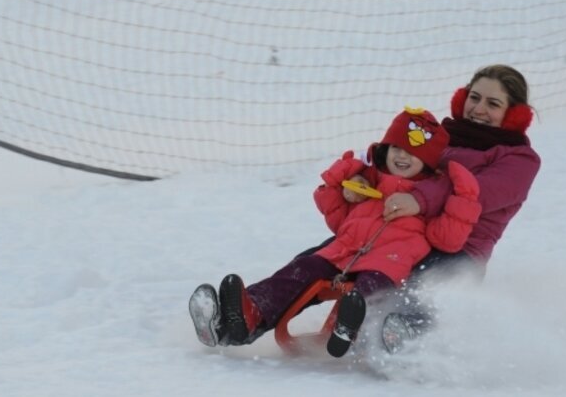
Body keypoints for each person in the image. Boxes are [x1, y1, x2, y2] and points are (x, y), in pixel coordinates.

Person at [188, 107, 482, 358]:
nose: (401, 157)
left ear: (429, 162)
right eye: (396, 148)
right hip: (341, 253)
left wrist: (465, 194)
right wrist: (340, 183)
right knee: (301, 269)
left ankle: (350, 330)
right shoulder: (369, 183)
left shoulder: (432, 196)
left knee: (371, 288)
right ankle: (248, 314)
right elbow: (339, 221)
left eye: (412, 153)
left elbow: (448, 238)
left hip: (387, 263)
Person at [378, 64, 540, 351]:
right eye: (474, 98)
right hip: (409, 231)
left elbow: (473, 193)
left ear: (512, 114)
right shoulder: (440, 137)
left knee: (424, 285)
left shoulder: (520, 160)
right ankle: (278, 303)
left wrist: (419, 199)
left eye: (493, 104)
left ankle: (406, 341)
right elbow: (400, 162)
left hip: (460, 251)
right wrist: (361, 173)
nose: (478, 109)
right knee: (338, 253)